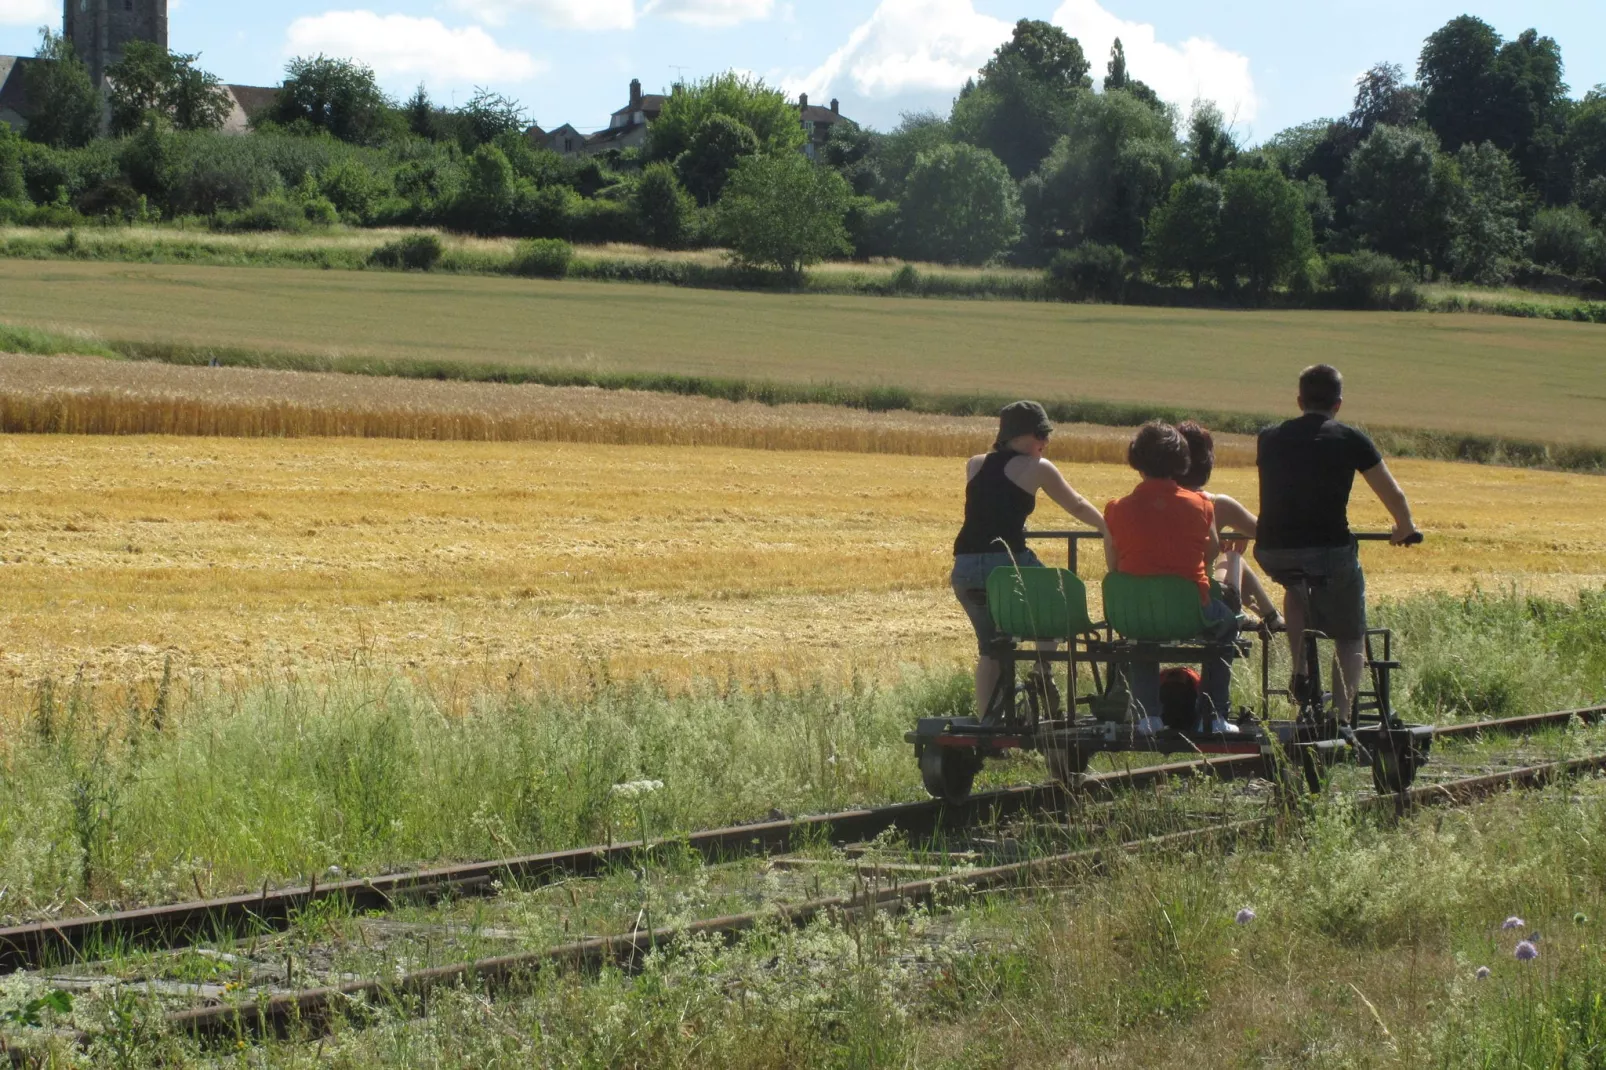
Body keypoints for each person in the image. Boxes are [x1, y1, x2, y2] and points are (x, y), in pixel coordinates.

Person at [1254, 364, 1419, 721]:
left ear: (1299, 401)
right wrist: (1405, 526)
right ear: (1338, 404)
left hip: (1272, 551)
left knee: (1295, 588)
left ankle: (1300, 670)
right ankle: (1342, 716)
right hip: (1329, 551)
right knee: (1349, 634)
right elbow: (1391, 491)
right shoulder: (1350, 439)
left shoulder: (1268, 437)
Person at [952, 401, 1109, 720]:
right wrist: (1107, 526)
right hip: (1008, 564)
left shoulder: (975, 463)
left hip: (966, 568)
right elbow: (1076, 505)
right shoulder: (1039, 466)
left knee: (991, 650)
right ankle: (1041, 669)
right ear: (1023, 435)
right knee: (1061, 602)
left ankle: (987, 727)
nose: (1045, 442)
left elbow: (990, 507)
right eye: (1042, 434)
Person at [1104, 422, 1240, 734]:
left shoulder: (1116, 508)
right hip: (1190, 611)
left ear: (1137, 460)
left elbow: (1114, 565)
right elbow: (1211, 552)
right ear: (1182, 461)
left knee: (1142, 637)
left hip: (1133, 611)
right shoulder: (1201, 505)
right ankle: (1216, 715)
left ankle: (1147, 716)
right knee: (1227, 625)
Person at [1176, 421, 1283, 632]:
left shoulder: (1156, 502)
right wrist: (1239, 532)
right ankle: (1271, 617)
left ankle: (1270, 616)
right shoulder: (1217, 504)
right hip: (1204, 601)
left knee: (1230, 558)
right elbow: (1267, 533)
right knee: (1233, 557)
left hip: (1162, 598)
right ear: (1208, 461)